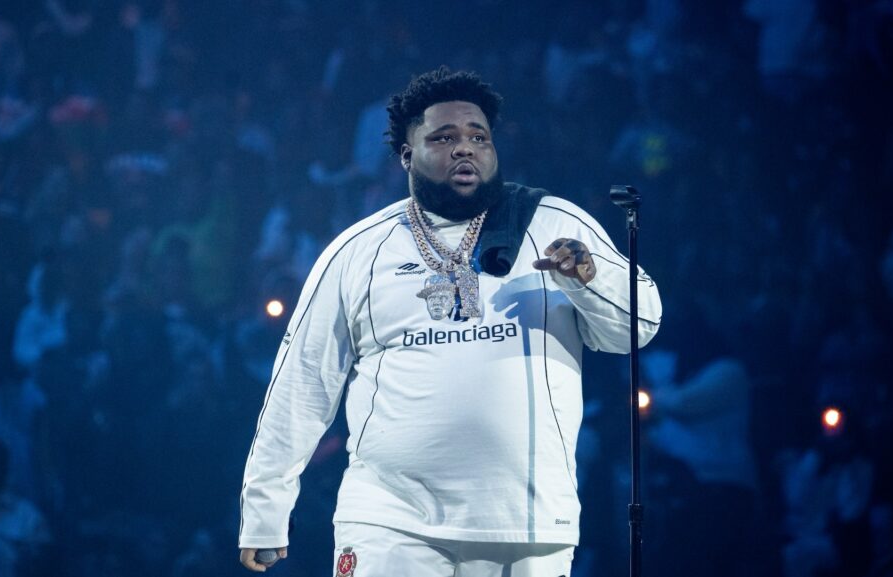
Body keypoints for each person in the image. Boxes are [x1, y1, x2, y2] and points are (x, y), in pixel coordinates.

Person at [237, 67, 662, 576]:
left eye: (478, 137)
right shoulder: (359, 251)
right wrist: (265, 512)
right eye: (444, 137)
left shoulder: (553, 222)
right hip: (388, 521)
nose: (465, 148)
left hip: (527, 525)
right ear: (406, 154)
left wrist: (587, 276)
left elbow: (637, 328)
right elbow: (303, 383)